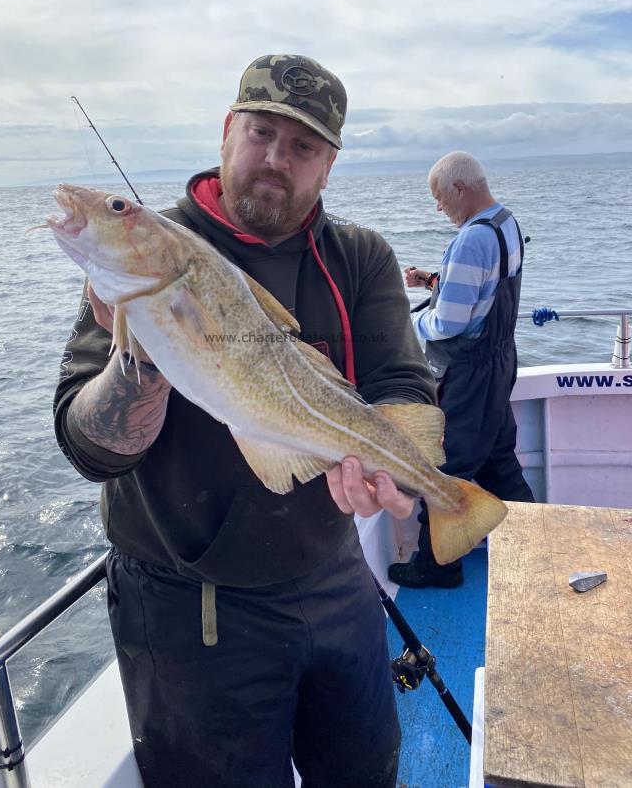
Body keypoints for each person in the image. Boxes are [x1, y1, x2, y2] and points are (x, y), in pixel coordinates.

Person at [53, 54, 438, 788]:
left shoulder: (358, 256)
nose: (274, 158)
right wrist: (147, 357)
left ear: (327, 167)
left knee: (366, 772)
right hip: (185, 602)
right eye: (261, 132)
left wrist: (398, 472)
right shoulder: (146, 256)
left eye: (302, 147)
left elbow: (400, 381)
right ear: (229, 131)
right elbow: (90, 449)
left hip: (332, 576)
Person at [388, 151, 535, 591]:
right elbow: (485, 291)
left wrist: (405, 324)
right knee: (499, 462)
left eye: (439, 198)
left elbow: (449, 323)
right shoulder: (504, 224)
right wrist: (435, 279)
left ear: (459, 189)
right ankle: (533, 544)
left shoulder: (471, 239)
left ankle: (439, 567)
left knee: (444, 469)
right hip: (499, 363)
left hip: (468, 374)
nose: (439, 208)